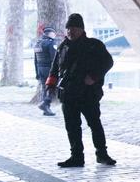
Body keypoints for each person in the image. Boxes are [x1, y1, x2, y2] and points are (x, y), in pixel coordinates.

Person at [47, 14, 115, 167]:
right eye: (68, 29)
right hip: (68, 94)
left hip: (88, 94)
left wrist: (94, 77)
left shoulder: (94, 45)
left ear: (81, 29)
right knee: (72, 127)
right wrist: (50, 85)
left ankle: (102, 154)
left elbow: (108, 62)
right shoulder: (62, 47)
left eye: (74, 28)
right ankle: (76, 157)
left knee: (95, 124)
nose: (70, 31)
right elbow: (55, 68)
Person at [33, 26, 58, 116]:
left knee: (44, 88)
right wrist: (57, 71)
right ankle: (45, 103)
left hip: (40, 69)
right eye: (54, 34)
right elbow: (54, 58)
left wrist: (37, 73)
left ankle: (46, 109)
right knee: (53, 87)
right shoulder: (51, 43)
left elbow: (35, 60)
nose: (55, 36)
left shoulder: (37, 44)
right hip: (49, 69)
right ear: (51, 34)